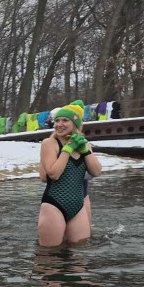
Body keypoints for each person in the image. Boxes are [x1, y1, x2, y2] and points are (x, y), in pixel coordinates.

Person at [38, 101, 101, 246]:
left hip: (78, 205)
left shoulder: (84, 144)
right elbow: (54, 174)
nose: (59, 124)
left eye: (65, 120)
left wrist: (85, 151)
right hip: (54, 204)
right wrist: (68, 148)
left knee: (80, 251)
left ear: (75, 124)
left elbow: (96, 171)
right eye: (57, 121)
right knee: (50, 254)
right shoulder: (49, 143)